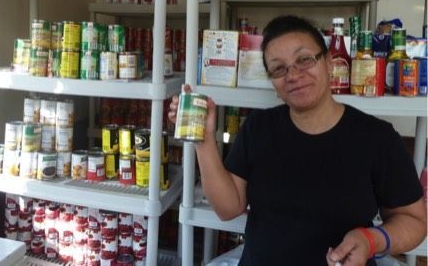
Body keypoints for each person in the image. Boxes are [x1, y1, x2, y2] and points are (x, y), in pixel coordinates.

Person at [168, 15, 427, 265]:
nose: (293, 75)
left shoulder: (377, 138)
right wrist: (202, 139)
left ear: (328, 63)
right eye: (279, 69)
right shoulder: (258, 127)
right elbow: (227, 208)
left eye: (304, 60)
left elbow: (414, 221)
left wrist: (371, 240)